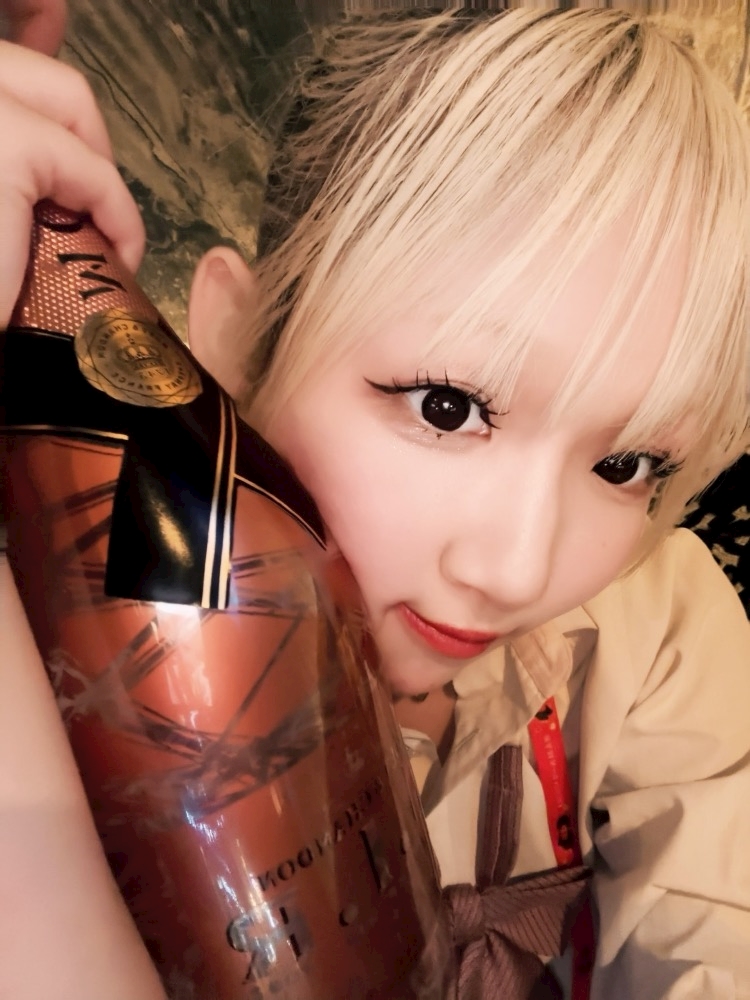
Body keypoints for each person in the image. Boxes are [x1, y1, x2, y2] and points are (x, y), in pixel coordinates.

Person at [2, 4, 750, 999]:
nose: (517, 572)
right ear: (234, 339)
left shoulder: (661, 626)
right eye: (448, 407)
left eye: (628, 464)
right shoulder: (59, 658)